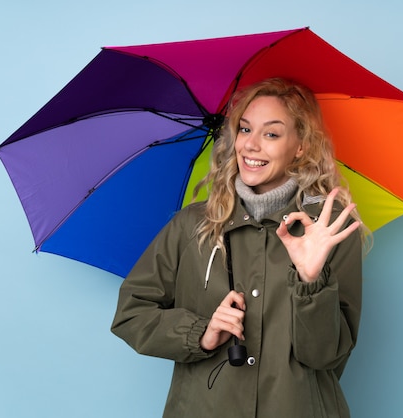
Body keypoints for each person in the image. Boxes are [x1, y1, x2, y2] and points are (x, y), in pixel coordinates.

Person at [111, 78, 371, 417]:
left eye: (272, 134)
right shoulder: (192, 224)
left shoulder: (327, 229)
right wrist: (201, 333)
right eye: (245, 129)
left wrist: (310, 282)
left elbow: (326, 356)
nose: (251, 145)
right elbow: (131, 314)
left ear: (301, 146)